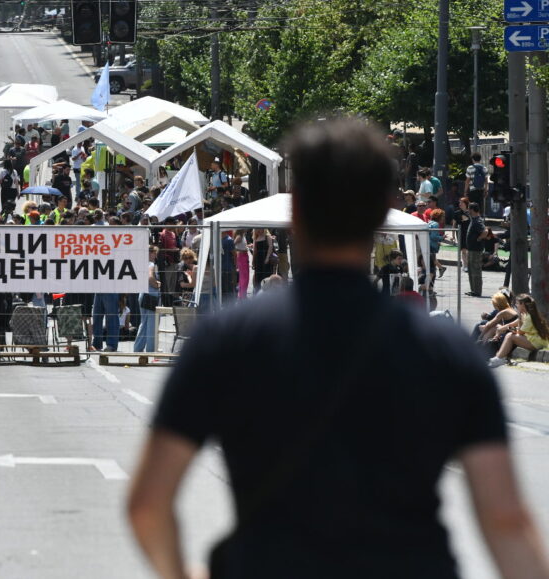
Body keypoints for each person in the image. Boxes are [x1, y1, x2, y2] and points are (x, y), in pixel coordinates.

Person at [128, 120, 549, 579]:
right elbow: (506, 521)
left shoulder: (227, 339)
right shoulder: (444, 350)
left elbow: (149, 504)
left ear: (296, 213)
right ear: (383, 212)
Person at [489, 294, 549, 368]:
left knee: (510, 336)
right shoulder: (526, 314)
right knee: (510, 334)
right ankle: (501, 357)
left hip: (536, 342)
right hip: (534, 339)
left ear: (522, 304)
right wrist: (504, 328)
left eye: (517, 303)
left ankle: (499, 358)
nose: (516, 305)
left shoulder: (529, 317)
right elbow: (515, 323)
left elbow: (520, 332)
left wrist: (518, 319)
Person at [133, 246, 160, 354]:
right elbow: (150, 278)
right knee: (152, 324)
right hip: (151, 295)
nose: (155, 255)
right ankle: (151, 349)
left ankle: (138, 348)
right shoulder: (151, 264)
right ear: (150, 253)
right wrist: (157, 285)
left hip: (143, 294)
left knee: (143, 323)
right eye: (154, 253)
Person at [465, 202, 486, 297]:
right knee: (471, 270)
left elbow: (485, 232)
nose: (468, 211)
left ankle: (477, 291)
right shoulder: (473, 220)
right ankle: (473, 290)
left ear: (472, 210)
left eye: (469, 209)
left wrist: (479, 238)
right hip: (471, 250)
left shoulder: (478, 221)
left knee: (476, 271)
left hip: (476, 250)